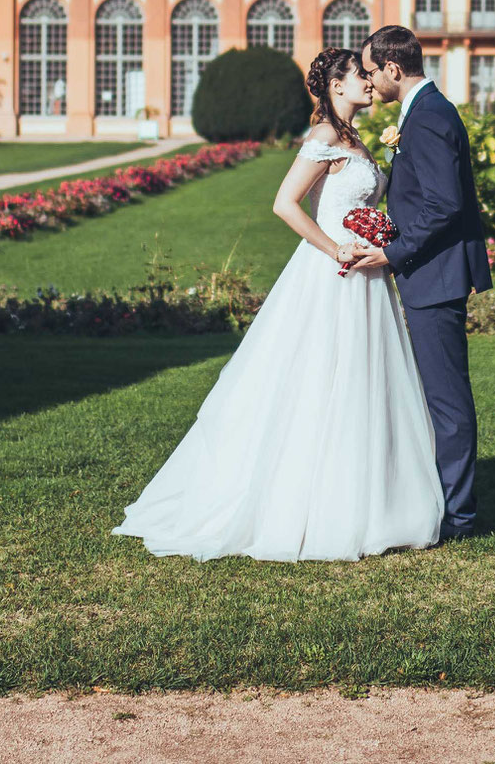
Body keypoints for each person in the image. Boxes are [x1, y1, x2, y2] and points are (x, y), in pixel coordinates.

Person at [112, 48, 444, 561]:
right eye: (361, 75)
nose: (371, 82)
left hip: (367, 274)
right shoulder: (326, 137)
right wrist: (335, 246)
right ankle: (309, 503)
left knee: (362, 380)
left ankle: (369, 499)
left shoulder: (355, 138)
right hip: (330, 273)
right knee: (317, 381)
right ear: (337, 86)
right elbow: (284, 203)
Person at [347, 25, 493, 541]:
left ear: (392, 68)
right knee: (439, 395)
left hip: (435, 274)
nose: (368, 81)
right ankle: (448, 500)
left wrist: (391, 252)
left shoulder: (429, 117)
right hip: (432, 271)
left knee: (447, 400)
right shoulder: (426, 112)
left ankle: (460, 517)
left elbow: (444, 205)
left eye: (370, 71)